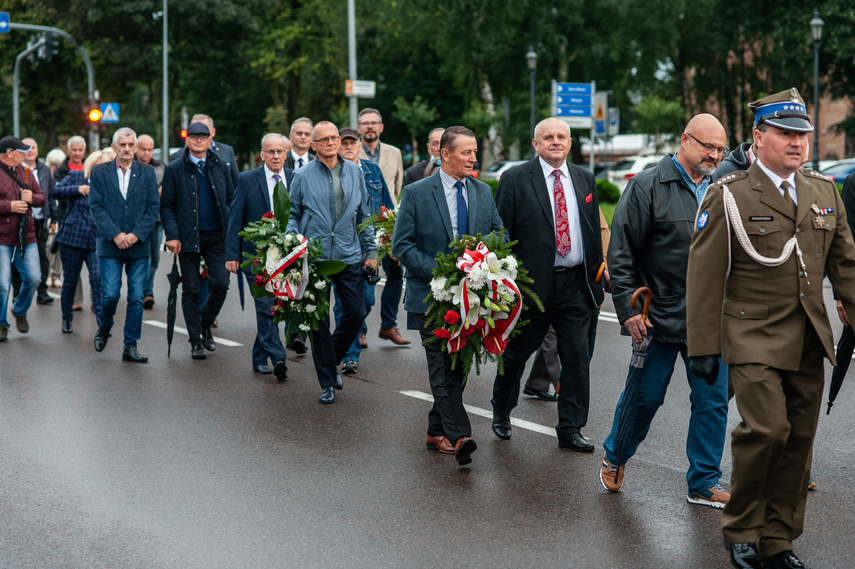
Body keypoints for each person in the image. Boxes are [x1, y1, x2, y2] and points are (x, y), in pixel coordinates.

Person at [686, 89, 855, 569]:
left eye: (801, 134)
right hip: (752, 334)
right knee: (766, 429)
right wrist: (702, 345)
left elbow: (847, 267)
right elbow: (704, 274)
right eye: (784, 133)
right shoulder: (729, 194)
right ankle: (741, 530)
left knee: (798, 439)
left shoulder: (824, 192)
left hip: (807, 337)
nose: (796, 142)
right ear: (758, 138)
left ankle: (778, 539)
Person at [601, 114, 731, 509]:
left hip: (711, 319)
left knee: (712, 401)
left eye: (720, 149)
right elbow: (620, 254)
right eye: (707, 146)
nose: (714, 154)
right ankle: (616, 454)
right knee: (644, 399)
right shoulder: (646, 186)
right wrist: (627, 309)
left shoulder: (726, 190)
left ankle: (704, 481)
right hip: (656, 317)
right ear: (684, 140)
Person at [489, 117, 604, 453]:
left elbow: (592, 231)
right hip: (531, 288)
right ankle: (502, 409)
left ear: (570, 143)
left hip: (576, 283)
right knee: (516, 355)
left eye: (562, 136)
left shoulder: (584, 179)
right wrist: (505, 280)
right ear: (535, 144)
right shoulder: (514, 178)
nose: (556, 141)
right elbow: (502, 233)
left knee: (577, 358)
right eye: (548, 137)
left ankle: (570, 428)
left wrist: (599, 272)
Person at [392, 125, 504, 466]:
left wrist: (486, 259)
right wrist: (442, 273)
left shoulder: (483, 192)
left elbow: (500, 231)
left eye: (474, 152)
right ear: (444, 154)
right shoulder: (416, 193)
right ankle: (460, 436)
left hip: (472, 296)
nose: (473, 158)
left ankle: (434, 430)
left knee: (458, 366)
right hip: (431, 295)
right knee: (441, 365)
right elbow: (402, 246)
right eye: (466, 152)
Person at [285, 121, 377, 404]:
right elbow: (293, 214)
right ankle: (327, 380)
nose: (330, 142)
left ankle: (330, 358)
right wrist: (291, 241)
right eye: (323, 139)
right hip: (316, 258)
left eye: (334, 137)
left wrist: (371, 252)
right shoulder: (301, 175)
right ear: (312, 145)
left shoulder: (353, 171)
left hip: (349, 256)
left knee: (356, 312)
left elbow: (364, 214)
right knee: (318, 321)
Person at [161, 121, 234, 360]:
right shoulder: (174, 169)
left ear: (210, 138)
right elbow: (168, 206)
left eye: (203, 136)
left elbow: (231, 199)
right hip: (187, 237)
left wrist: (233, 234)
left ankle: (203, 324)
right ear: (187, 139)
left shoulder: (220, 165)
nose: (199, 141)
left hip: (216, 236)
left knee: (221, 283)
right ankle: (196, 341)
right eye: (194, 137)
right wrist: (172, 235)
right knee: (191, 288)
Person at [523, 206, 611, 401]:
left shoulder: (579, 184)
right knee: (548, 333)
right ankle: (565, 387)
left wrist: (601, 265)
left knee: (555, 330)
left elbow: (602, 228)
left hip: (575, 274)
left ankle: (538, 382)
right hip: (541, 271)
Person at [88, 128, 159, 362]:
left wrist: (136, 234)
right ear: (114, 147)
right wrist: (115, 234)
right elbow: (96, 207)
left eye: (131, 145)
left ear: (136, 147)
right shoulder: (99, 172)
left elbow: (153, 209)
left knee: (137, 297)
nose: (127, 149)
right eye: (123, 144)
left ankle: (130, 345)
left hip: (138, 247)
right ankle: (105, 326)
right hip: (110, 246)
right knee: (109, 295)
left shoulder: (148, 173)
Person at [225, 133, 292, 380]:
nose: (275, 156)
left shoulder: (295, 178)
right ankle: (278, 357)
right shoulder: (246, 179)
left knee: (276, 306)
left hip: (286, 256)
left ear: (286, 153)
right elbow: (235, 218)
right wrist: (231, 254)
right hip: (254, 257)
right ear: (262, 155)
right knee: (266, 305)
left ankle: (257, 356)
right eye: (270, 152)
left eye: (280, 151)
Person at [334, 127, 396, 374]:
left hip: (369, 248)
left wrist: (390, 242)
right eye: (344, 143)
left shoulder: (373, 170)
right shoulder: (332, 172)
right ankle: (349, 356)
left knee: (367, 300)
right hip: (342, 249)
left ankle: (352, 330)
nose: (348, 147)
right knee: (343, 305)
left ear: (360, 145)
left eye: (352, 143)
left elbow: (386, 208)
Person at [357, 108, 407, 346]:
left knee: (395, 275)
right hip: (365, 228)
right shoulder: (353, 152)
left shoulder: (394, 152)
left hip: (389, 225)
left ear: (381, 127)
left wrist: (397, 222)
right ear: (359, 128)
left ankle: (388, 326)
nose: (369, 127)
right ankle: (360, 329)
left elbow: (397, 189)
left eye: (373, 123)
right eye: (365, 123)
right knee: (366, 277)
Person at [52, 150, 113, 334]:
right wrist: (76, 189)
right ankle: (67, 319)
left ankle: (102, 323)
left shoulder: (110, 185)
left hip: (96, 240)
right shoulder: (77, 176)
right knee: (70, 282)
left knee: (97, 279)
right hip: (72, 238)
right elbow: (55, 191)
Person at [0, 136, 46, 342]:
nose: (26, 154)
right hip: (1, 237)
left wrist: (32, 199)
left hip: (25, 237)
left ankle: (19, 309)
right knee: (2, 284)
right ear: (9, 153)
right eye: (21, 151)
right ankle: (2, 324)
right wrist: (8, 206)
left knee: (34, 278)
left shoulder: (26, 171)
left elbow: (41, 197)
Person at [15, 138, 57, 305]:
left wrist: (54, 218)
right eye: (27, 148)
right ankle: (17, 290)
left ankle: (42, 291)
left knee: (42, 255)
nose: (31, 151)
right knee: (17, 256)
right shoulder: (15, 170)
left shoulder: (45, 170)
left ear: (38, 151)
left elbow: (50, 195)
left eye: (34, 147)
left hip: (40, 220)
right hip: (20, 220)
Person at [54, 136, 88, 312]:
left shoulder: (90, 167)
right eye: (74, 150)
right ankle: (76, 299)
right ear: (68, 150)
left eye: (80, 150)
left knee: (95, 270)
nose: (77, 153)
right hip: (69, 219)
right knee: (72, 267)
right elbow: (56, 190)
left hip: (89, 223)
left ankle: (99, 305)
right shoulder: (62, 170)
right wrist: (76, 191)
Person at [135, 134, 165, 310]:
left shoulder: (161, 167)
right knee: (142, 258)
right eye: (143, 149)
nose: (146, 152)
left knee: (154, 258)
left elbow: (167, 190)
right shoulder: (131, 166)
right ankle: (144, 292)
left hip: (157, 220)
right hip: (137, 221)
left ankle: (146, 291)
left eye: (149, 149)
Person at [44, 148, 65, 289]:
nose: (56, 167)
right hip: (49, 214)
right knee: (48, 245)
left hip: (61, 214)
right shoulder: (45, 175)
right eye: (53, 164)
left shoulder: (63, 176)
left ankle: (56, 274)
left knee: (59, 247)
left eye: (58, 164)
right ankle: (48, 274)